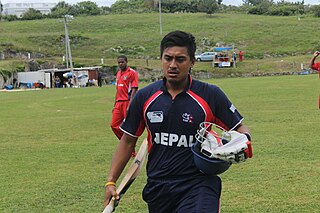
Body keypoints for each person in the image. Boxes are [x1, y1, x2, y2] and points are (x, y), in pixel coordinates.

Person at [104, 31, 251, 212]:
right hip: (159, 187)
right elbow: (127, 141)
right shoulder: (145, 97)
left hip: (198, 184)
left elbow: (240, 128)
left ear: (192, 62)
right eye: (168, 58)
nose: (173, 65)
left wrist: (244, 141)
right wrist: (111, 181)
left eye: (180, 59)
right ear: (161, 59)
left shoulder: (210, 95)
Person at [110, 55, 139, 156]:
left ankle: (131, 150)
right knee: (114, 125)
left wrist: (130, 104)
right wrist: (115, 104)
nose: (120, 64)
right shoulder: (118, 73)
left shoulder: (132, 73)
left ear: (126, 62)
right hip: (119, 103)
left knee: (127, 127)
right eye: (119, 62)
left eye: (122, 62)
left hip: (127, 101)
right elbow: (117, 90)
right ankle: (127, 145)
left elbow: (135, 89)